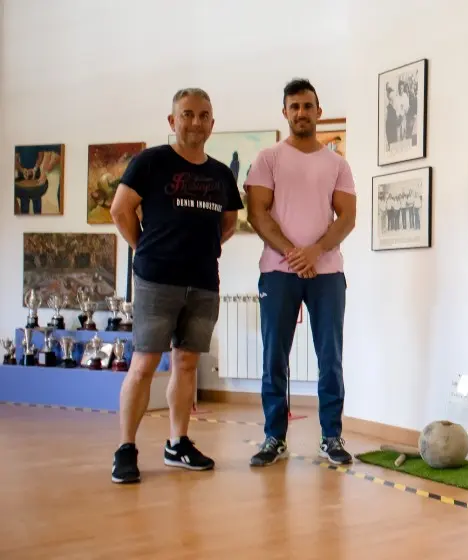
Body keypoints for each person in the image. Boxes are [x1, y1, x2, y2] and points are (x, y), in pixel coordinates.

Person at [108, 87, 243, 483]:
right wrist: (145, 248)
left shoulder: (220, 173)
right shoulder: (150, 162)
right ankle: (126, 448)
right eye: (187, 114)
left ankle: (177, 443)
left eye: (203, 115)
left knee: (186, 364)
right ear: (173, 121)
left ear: (212, 124)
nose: (195, 122)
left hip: (203, 283)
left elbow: (230, 223)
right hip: (155, 281)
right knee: (144, 363)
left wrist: (199, 252)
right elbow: (120, 210)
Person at [244, 78, 357, 467]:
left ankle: (331, 436)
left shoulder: (337, 164)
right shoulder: (268, 159)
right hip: (278, 272)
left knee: (331, 357)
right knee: (274, 356)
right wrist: (294, 254)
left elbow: (348, 217)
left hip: (327, 275)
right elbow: (257, 213)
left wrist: (317, 251)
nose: (301, 113)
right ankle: (274, 437)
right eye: (294, 106)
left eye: (308, 106)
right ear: (285, 113)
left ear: (318, 112)